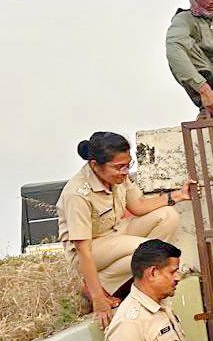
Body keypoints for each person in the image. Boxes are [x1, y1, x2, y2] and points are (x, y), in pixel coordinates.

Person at [57, 132, 192, 328]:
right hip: (89, 249)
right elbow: (83, 250)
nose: (125, 172)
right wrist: (98, 301)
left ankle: (113, 283)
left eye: (128, 165)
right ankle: (100, 288)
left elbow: (138, 206)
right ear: (95, 165)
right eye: (119, 167)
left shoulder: (119, 177)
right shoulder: (77, 194)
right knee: (146, 250)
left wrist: (177, 196)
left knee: (167, 217)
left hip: (116, 233)